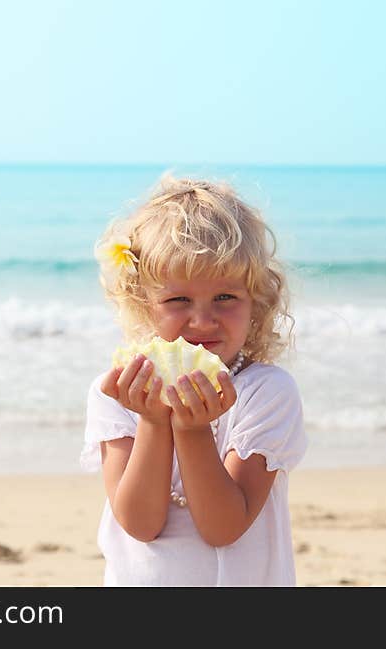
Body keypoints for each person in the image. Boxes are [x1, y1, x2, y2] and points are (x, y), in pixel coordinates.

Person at [80, 174, 308, 586]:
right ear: (143, 304)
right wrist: (153, 422)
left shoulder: (265, 392)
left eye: (225, 297)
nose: (203, 320)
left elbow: (224, 527)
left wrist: (192, 430)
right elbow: (139, 524)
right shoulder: (117, 393)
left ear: (255, 301)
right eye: (178, 300)